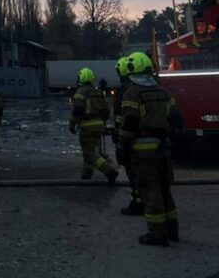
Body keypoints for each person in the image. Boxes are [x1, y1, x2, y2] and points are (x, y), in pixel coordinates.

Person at [117, 51, 183, 247]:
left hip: (143, 151)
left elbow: (129, 122)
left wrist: (122, 146)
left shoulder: (132, 93)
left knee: (150, 191)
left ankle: (156, 234)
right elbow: (177, 118)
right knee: (165, 190)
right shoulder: (163, 92)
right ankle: (172, 231)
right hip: (163, 148)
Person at [69, 67, 118, 184]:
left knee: (89, 153)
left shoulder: (80, 92)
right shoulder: (99, 92)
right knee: (90, 151)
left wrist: (72, 125)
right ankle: (86, 177)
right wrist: (103, 123)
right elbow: (106, 110)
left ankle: (109, 171)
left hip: (87, 126)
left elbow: (77, 111)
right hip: (99, 125)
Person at [113, 56, 144, 215]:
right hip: (154, 138)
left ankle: (138, 203)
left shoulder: (125, 91)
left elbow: (122, 117)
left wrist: (119, 139)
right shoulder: (150, 87)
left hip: (132, 139)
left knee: (133, 172)